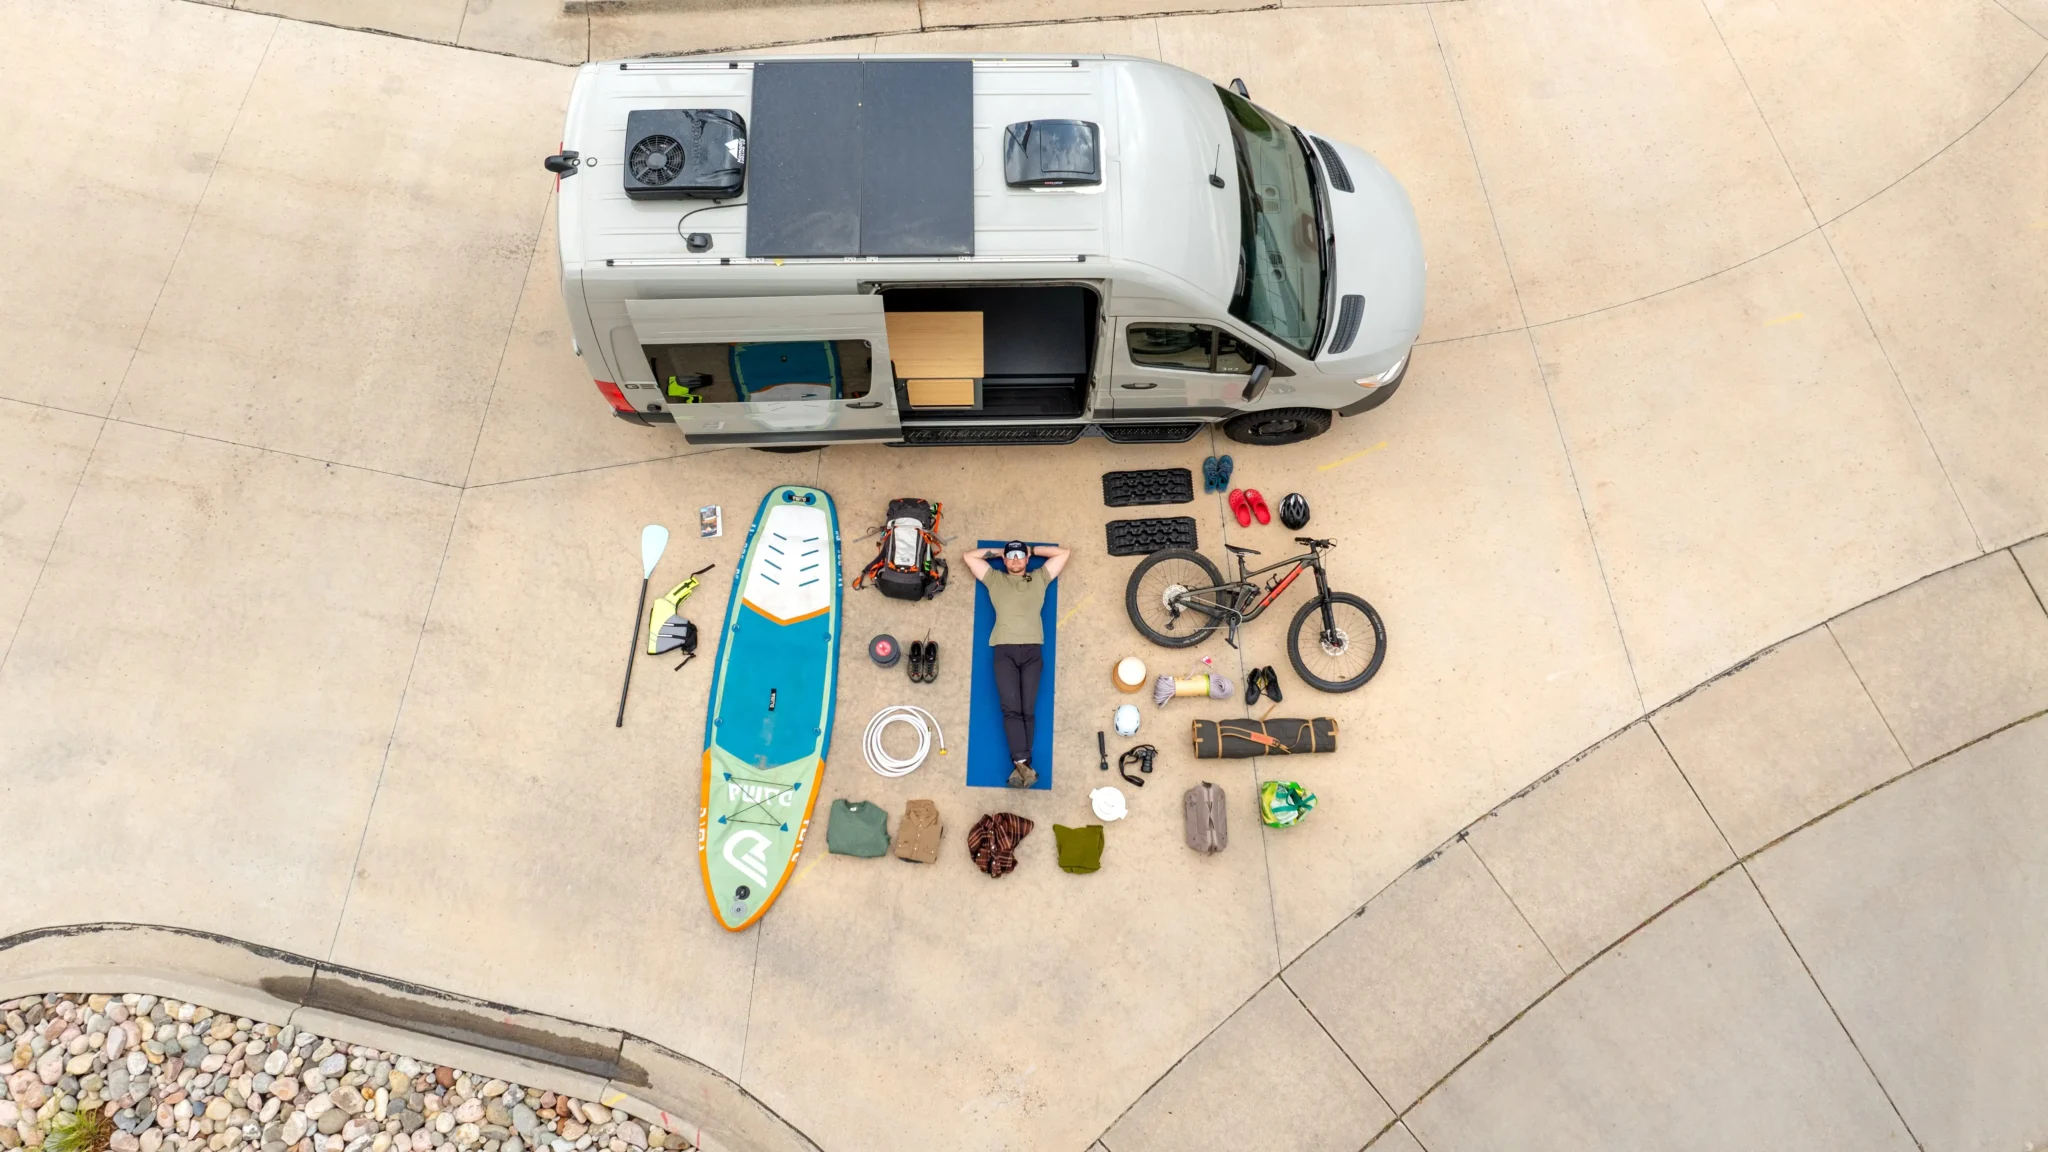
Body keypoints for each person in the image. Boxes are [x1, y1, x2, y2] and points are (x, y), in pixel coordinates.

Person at [963, 540, 1071, 788]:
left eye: (1019, 556)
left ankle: (1022, 766)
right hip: (1005, 650)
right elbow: (969, 557)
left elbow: (1063, 553)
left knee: (1027, 710)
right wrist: (1003, 552)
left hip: (1033, 650)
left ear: (1026, 560)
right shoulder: (996, 580)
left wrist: (1030, 551)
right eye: (1010, 557)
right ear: (1004, 560)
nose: (1014, 560)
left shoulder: (1040, 578)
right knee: (1011, 708)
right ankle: (1023, 763)